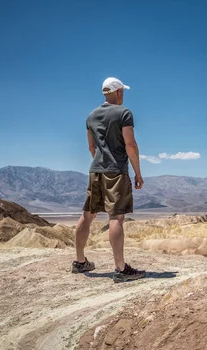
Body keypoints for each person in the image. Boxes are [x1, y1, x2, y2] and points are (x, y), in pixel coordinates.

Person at [71, 77, 146, 283]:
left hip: (95, 170)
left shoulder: (91, 116)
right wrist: (137, 173)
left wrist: (100, 162)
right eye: (123, 92)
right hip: (116, 171)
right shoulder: (124, 113)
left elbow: (91, 147)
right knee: (116, 217)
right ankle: (121, 269)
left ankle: (79, 261)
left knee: (88, 214)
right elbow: (130, 145)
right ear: (119, 92)